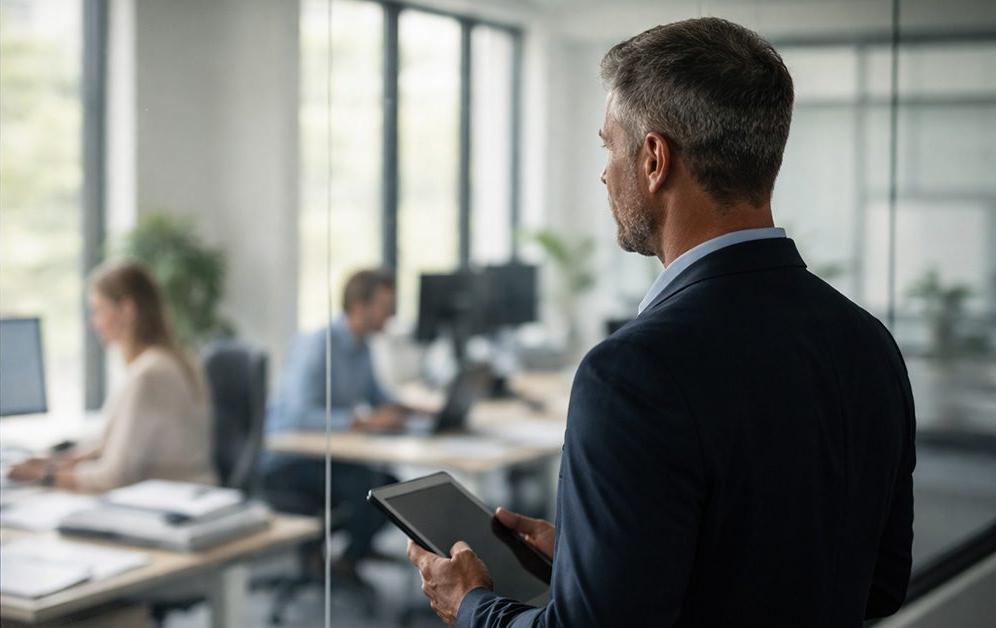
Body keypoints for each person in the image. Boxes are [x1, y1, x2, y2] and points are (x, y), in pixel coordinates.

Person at [408, 17, 915, 627]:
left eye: (608, 145)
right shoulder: (868, 343)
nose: (603, 172)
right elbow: (877, 586)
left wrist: (471, 605)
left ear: (653, 158)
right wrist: (594, 559)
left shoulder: (631, 373)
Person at [9, 260, 218, 491]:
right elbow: (110, 446)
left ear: (126, 310)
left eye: (98, 310)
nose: (93, 323)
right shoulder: (169, 359)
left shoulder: (149, 374)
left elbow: (114, 477)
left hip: (167, 503)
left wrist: (44, 475)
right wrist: (56, 461)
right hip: (186, 496)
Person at [261, 268, 412, 585]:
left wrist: (411, 408)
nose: (391, 314)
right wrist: (363, 421)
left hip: (325, 456)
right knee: (369, 489)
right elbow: (299, 416)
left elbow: (377, 397)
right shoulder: (318, 346)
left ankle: (349, 558)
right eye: (385, 305)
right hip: (288, 460)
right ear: (359, 306)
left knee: (394, 489)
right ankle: (335, 563)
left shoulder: (362, 346)